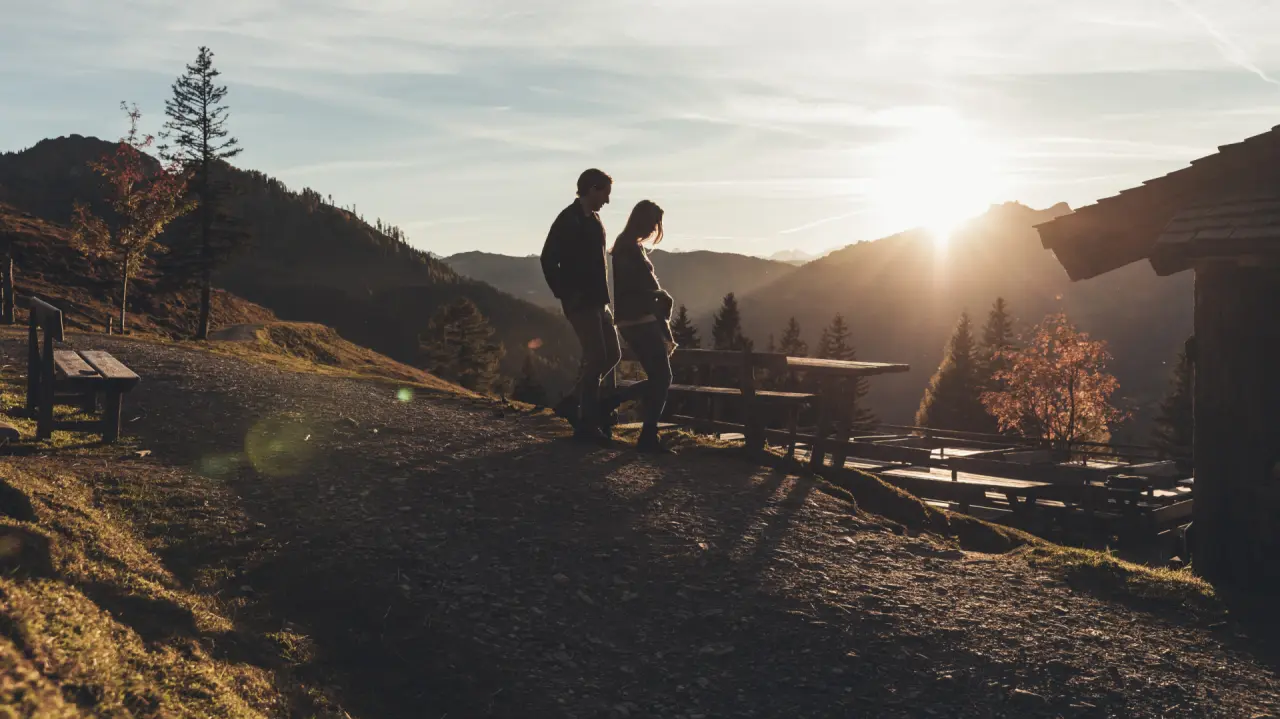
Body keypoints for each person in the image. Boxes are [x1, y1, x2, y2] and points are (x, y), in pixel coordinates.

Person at [540, 168, 620, 445]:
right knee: (597, 356)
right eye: (605, 194)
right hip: (580, 303)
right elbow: (548, 259)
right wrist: (566, 295)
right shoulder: (567, 220)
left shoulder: (595, 220)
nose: (607, 201)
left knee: (613, 355)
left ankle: (572, 401)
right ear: (592, 189)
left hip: (599, 301)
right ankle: (586, 423)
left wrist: (606, 301)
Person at [605, 200, 676, 454]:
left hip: (632, 320)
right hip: (639, 320)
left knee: (660, 378)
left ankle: (616, 411)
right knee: (662, 377)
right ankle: (614, 409)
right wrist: (660, 296)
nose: (652, 231)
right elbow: (636, 289)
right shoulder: (629, 249)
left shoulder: (626, 246)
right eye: (652, 225)